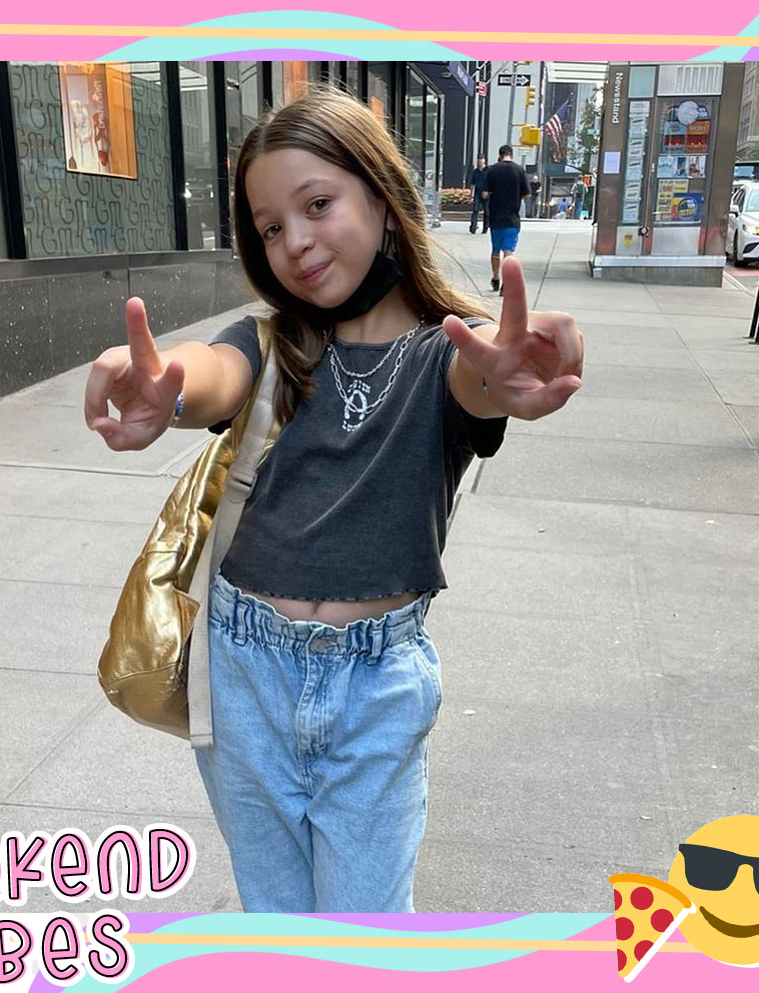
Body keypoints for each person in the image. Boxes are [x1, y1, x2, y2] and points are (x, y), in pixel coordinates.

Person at [83, 88, 583, 914]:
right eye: (271, 226)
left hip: (373, 693)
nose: (296, 242)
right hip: (244, 672)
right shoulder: (274, 340)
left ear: (382, 199)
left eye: (318, 205)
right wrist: (166, 389)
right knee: (277, 927)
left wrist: (506, 375)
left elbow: (479, 383)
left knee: (365, 934)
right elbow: (212, 376)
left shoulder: (449, 351)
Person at [480, 144, 530, 294]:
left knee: (495, 250)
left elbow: (484, 194)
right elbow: (527, 193)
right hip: (512, 218)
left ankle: (495, 278)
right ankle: (506, 284)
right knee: (508, 251)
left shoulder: (492, 170)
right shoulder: (519, 170)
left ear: (500, 155)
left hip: (495, 218)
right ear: (511, 155)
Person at [466, 154, 489, 233]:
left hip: (486, 194)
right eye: (479, 159)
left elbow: (492, 182)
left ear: (484, 160)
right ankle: (473, 227)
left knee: (486, 211)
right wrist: (471, 195)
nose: (480, 161)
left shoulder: (488, 170)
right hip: (477, 194)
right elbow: (473, 184)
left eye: (482, 159)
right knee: (475, 210)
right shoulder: (475, 172)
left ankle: (485, 228)